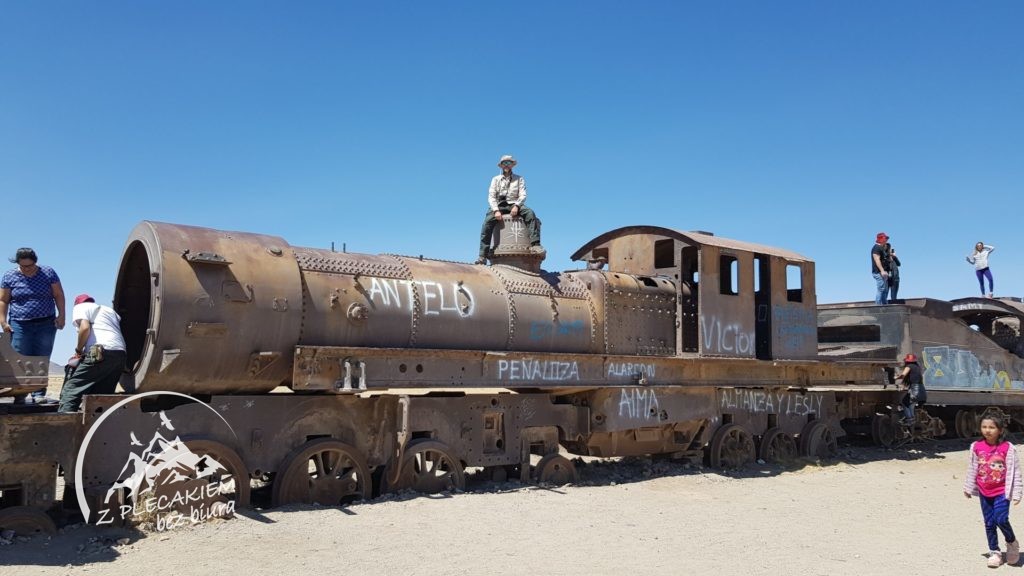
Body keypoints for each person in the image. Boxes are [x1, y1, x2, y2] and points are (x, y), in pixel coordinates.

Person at [1, 248, 66, 400]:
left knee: (41, 357)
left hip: (46, 322)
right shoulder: (9, 276)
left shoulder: (48, 273)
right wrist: (2, 321)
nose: (27, 269)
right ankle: (20, 396)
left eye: (30, 266)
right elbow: (3, 300)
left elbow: (58, 294)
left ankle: (38, 394)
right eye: (23, 266)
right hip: (19, 324)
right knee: (19, 357)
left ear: (35, 262)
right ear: (18, 264)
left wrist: (62, 315)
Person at [964, 413, 1023, 568]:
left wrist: (1017, 493)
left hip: (1002, 492)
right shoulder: (976, 446)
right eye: (984, 427)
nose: (987, 430)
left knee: (1001, 519)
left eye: (991, 427)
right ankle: (994, 552)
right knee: (989, 523)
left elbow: (1016, 472)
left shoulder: (1007, 448)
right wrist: (968, 487)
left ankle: (1012, 542)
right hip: (984, 491)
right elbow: (972, 468)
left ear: (1000, 430)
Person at [58, 294, 127, 413]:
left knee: (72, 389)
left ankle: (63, 421)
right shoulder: (110, 311)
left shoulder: (80, 307)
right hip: (120, 354)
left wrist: (78, 351)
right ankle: (100, 422)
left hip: (100, 352)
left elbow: (84, 328)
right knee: (102, 395)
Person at [476, 154, 543, 265]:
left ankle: (535, 245)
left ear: (512, 165)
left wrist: (517, 206)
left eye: (509, 163)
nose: (506, 165)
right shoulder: (495, 179)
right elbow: (491, 196)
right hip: (499, 204)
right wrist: (496, 210)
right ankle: (482, 256)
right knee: (487, 223)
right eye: (504, 163)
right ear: (501, 165)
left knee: (530, 213)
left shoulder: (519, 179)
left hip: (513, 203)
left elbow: (523, 195)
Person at [894, 353, 925, 424]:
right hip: (920, 388)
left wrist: (896, 377)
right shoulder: (917, 367)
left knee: (905, 403)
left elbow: (903, 376)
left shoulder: (909, 366)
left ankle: (909, 419)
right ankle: (912, 419)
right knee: (911, 404)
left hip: (914, 388)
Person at [870, 232, 890, 305]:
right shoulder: (876, 248)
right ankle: (878, 306)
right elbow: (877, 260)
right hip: (878, 272)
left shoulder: (881, 248)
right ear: (881, 239)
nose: (886, 240)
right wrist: (882, 271)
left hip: (882, 272)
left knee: (885, 289)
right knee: (881, 288)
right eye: (885, 238)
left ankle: (884, 305)